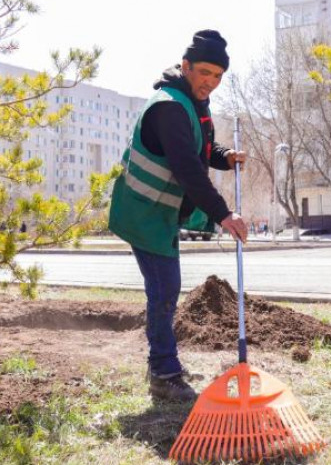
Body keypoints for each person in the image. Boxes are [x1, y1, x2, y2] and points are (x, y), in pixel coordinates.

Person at [107, 29, 248, 402]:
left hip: (160, 214)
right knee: (165, 290)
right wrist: (224, 215)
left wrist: (224, 156)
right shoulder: (169, 105)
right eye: (204, 72)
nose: (211, 83)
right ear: (185, 66)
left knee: (165, 289)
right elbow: (187, 168)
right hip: (144, 213)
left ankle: (164, 365)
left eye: (218, 76)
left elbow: (198, 148)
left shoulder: (191, 102)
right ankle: (164, 374)